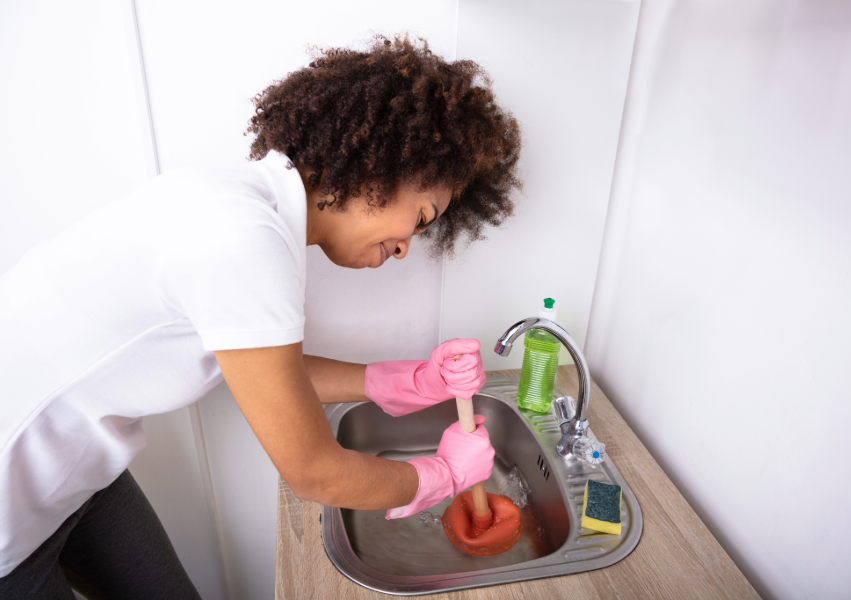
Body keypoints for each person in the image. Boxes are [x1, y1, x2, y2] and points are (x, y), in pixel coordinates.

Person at [0, 35, 522, 599]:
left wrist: (407, 381)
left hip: (75, 475)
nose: (405, 248)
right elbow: (314, 472)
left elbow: (264, 370)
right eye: (419, 218)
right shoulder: (244, 239)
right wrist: (442, 476)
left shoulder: (246, 212)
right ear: (380, 166)